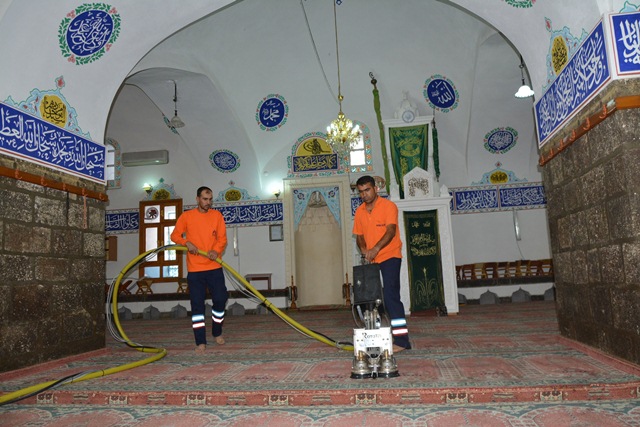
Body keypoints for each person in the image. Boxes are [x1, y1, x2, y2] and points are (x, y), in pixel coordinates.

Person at [352, 175, 411, 352]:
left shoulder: (388, 206)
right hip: (371, 260)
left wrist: (376, 248)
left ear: (376, 189)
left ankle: (402, 340)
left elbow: (391, 231)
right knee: (370, 299)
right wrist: (364, 251)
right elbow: (360, 237)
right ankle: (376, 336)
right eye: (361, 192)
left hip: (390, 256)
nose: (364, 195)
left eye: (367, 190)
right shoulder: (359, 212)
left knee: (391, 295)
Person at [171, 186, 228, 354]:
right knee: (197, 306)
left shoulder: (217, 216)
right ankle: (200, 342)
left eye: (210, 199)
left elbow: (222, 238)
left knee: (220, 299)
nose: (208, 203)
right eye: (204, 199)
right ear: (197, 199)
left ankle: (217, 331)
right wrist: (186, 243)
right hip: (195, 270)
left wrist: (215, 251)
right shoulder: (187, 216)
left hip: (214, 266)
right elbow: (174, 235)